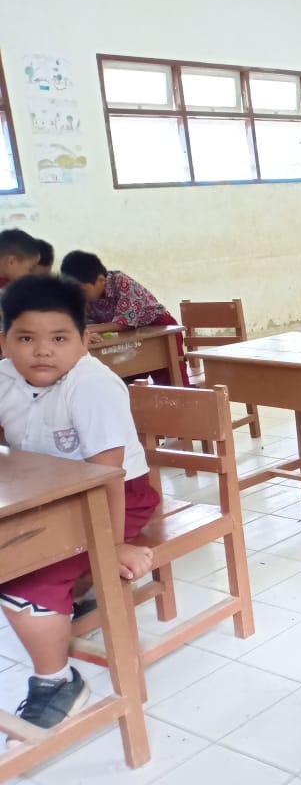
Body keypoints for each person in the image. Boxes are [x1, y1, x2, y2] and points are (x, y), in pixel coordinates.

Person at [0, 275, 159, 730]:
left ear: (85, 340)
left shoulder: (91, 385)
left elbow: (107, 474)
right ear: (5, 340)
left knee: (26, 571)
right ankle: (75, 593)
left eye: (59, 338)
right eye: (26, 338)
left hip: (117, 497)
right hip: (47, 497)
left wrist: (109, 548)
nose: (42, 350)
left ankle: (57, 682)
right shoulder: (4, 376)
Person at [58, 249, 189, 386]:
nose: (79, 295)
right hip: (128, 337)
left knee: (170, 380)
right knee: (127, 381)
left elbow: (125, 323)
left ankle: (188, 405)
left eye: (82, 290)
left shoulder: (120, 282)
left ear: (101, 280)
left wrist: (85, 329)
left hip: (159, 328)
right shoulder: (79, 295)